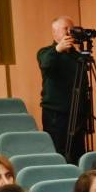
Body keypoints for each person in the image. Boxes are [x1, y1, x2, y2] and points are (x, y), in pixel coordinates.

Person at [36, 16, 87, 163]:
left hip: (77, 112)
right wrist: (58, 49)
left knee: (78, 151)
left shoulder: (78, 56)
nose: (70, 32)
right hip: (56, 113)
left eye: (72, 29)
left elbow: (84, 85)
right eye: (66, 29)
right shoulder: (45, 52)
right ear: (55, 33)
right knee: (58, 151)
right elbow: (46, 65)